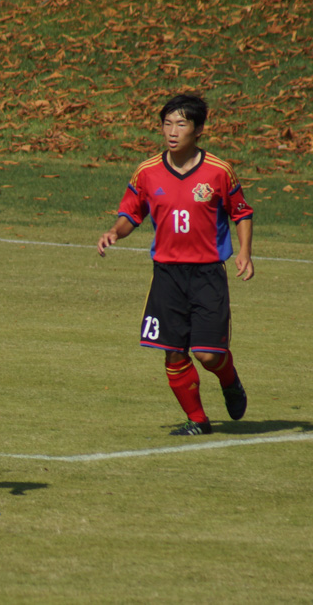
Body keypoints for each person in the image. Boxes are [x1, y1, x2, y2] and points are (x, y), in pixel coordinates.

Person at [97, 94, 253, 436]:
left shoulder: (218, 171)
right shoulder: (147, 172)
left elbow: (241, 212)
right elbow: (130, 214)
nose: (172, 131)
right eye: (167, 123)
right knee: (172, 352)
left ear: (198, 130)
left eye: (181, 124)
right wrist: (114, 232)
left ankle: (230, 380)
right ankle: (197, 420)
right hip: (167, 274)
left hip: (207, 273)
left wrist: (244, 252)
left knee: (209, 355)